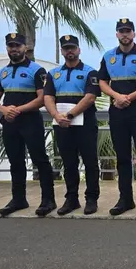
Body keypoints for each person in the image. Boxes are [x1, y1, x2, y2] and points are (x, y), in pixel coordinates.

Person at [0, 33, 56, 217]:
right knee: (15, 161)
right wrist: (4, 110)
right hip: (10, 123)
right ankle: (18, 199)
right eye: (11, 46)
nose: (14, 49)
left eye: (17, 45)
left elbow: (42, 98)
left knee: (40, 160)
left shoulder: (37, 70)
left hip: (30, 121)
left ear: (25, 47)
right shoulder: (2, 72)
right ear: (7, 48)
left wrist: (18, 109)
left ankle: (48, 200)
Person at [98, 18, 136, 216]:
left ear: (134, 34)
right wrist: (117, 97)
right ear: (117, 34)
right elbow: (102, 82)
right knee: (122, 157)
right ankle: (125, 199)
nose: (125, 34)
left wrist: (129, 98)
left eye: (128, 31)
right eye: (121, 31)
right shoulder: (108, 56)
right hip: (117, 111)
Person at [43, 35, 102, 216]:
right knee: (69, 163)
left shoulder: (90, 72)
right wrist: (56, 115)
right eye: (66, 48)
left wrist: (70, 114)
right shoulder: (54, 74)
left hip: (84, 123)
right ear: (62, 51)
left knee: (90, 161)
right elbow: (48, 97)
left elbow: (90, 97)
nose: (70, 51)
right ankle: (71, 199)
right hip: (61, 124)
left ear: (79, 50)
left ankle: (91, 199)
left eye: (73, 48)